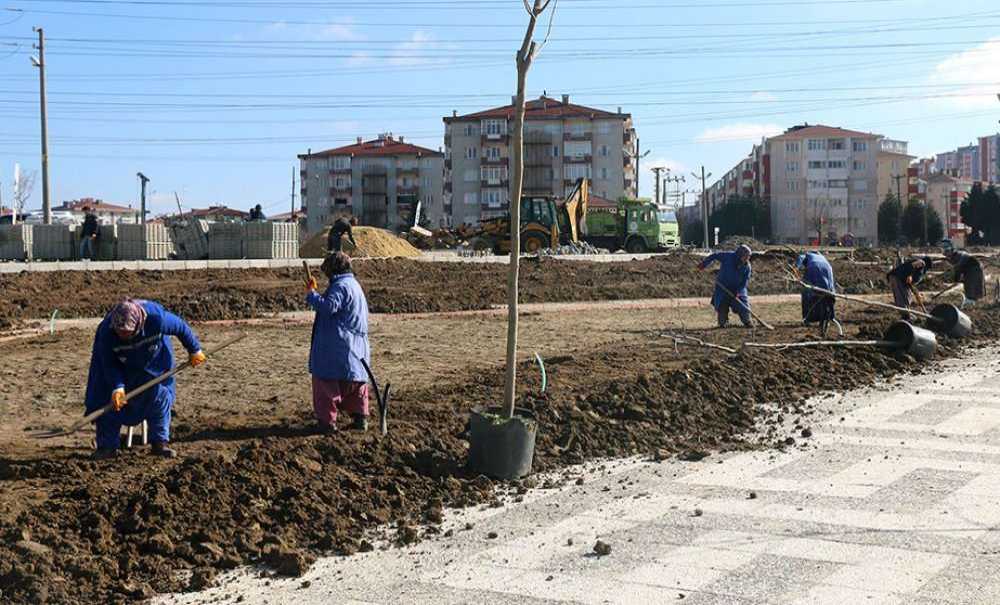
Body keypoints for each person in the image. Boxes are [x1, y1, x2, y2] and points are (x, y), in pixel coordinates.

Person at [84, 299, 206, 460]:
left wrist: (194, 349)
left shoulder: (157, 319)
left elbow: (181, 327)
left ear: (138, 323)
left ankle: (159, 443)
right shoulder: (106, 332)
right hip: (121, 364)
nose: (123, 335)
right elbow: (108, 363)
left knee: (159, 396)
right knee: (107, 399)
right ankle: (107, 446)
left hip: (153, 360)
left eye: (127, 331)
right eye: (120, 332)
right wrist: (117, 387)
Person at [305, 252, 371, 433]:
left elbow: (328, 307)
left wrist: (311, 295)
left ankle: (327, 423)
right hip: (357, 349)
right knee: (356, 385)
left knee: (326, 385)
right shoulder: (354, 285)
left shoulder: (340, 286)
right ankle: (360, 419)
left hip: (336, 347)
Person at [699, 244, 753, 328]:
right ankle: (723, 322)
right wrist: (704, 263)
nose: (747, 259)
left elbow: (744, 282)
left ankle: (747, 321)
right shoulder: (728, 256)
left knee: (743, 306)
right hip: (722, 287)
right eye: (745, 256)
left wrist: (738, 292)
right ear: (739, 255)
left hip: (737, 289)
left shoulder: (747, 267)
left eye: (748, 257)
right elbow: (714, 256)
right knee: (722, 305)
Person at [798, 252, 842, 336]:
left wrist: (797, 268)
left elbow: (799, 265)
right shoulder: (819, 256)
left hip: (814, 267)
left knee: (808, 291)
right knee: (828, 291)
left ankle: (807, 318)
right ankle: (827, 317)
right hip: (828, 268)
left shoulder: (804, 256)